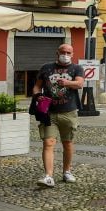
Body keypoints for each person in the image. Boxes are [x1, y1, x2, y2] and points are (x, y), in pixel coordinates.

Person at [33, 44, 85, 188]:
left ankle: (67, 171)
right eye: (63, 52)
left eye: (68, 52)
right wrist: (37, 95)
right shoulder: (46, 67)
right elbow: (37, 85)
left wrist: (67, 83)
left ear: (72, 54)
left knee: (67, 142)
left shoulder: (76, 68)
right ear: (57, 53)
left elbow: (80, 83)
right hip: (49, 112)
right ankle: (48, 176)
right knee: (48, 142)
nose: (65, 54)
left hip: (69, 111)